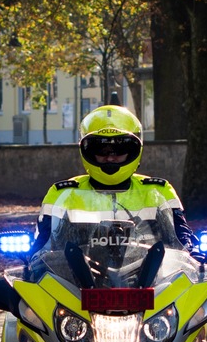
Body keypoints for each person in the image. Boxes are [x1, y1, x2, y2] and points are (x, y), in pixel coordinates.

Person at [31, 104, 196, 253]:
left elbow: (182, 240)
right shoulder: (62, 193)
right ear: (86, 150)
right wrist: (33, 258)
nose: (110, 158)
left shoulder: (158, 191)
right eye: (101, 150)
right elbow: (42, 245)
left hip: (152, 280)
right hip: (74, 281)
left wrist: (194, 253)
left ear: (134, 150)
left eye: (119, 150)